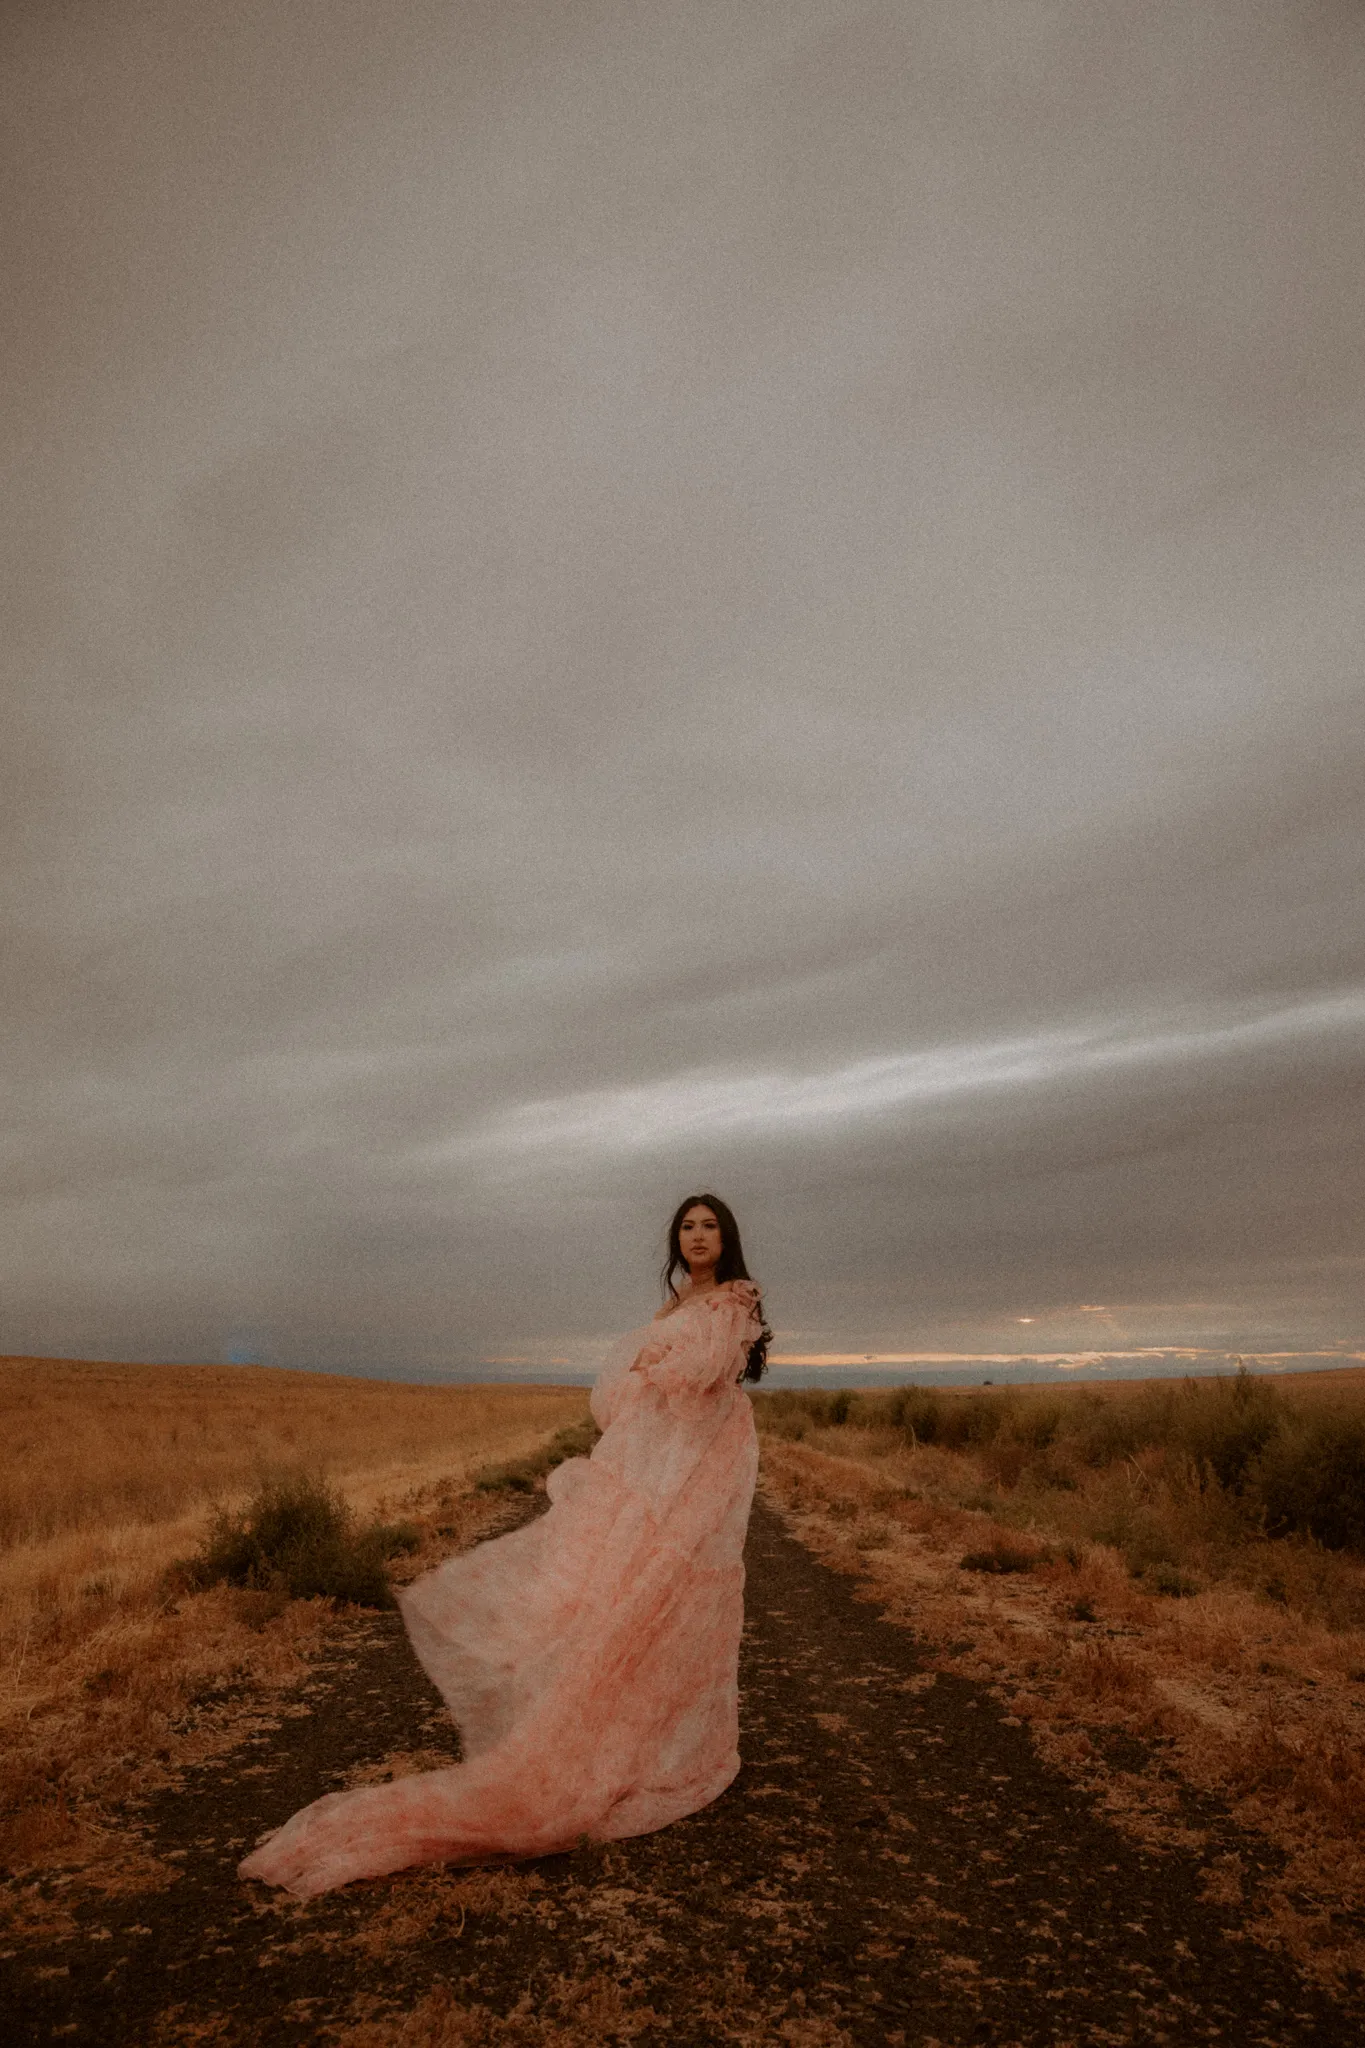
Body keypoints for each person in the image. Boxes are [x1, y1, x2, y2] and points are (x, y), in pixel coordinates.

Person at [238, 1193, 770, 1898]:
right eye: (688, 1226)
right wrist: (651, 1365)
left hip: (694, 1470)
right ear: (676, 1240)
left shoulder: (733, 1302)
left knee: (674, 1599)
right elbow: (627, 1393)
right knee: (624, 1598)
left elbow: (698, 1376)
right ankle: (630, 1744)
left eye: (709, 1227)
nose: (698, 1236)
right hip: (653, 1465)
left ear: (725, 1239)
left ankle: (676, 1749)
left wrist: (659, 1366)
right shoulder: (674, 1306)